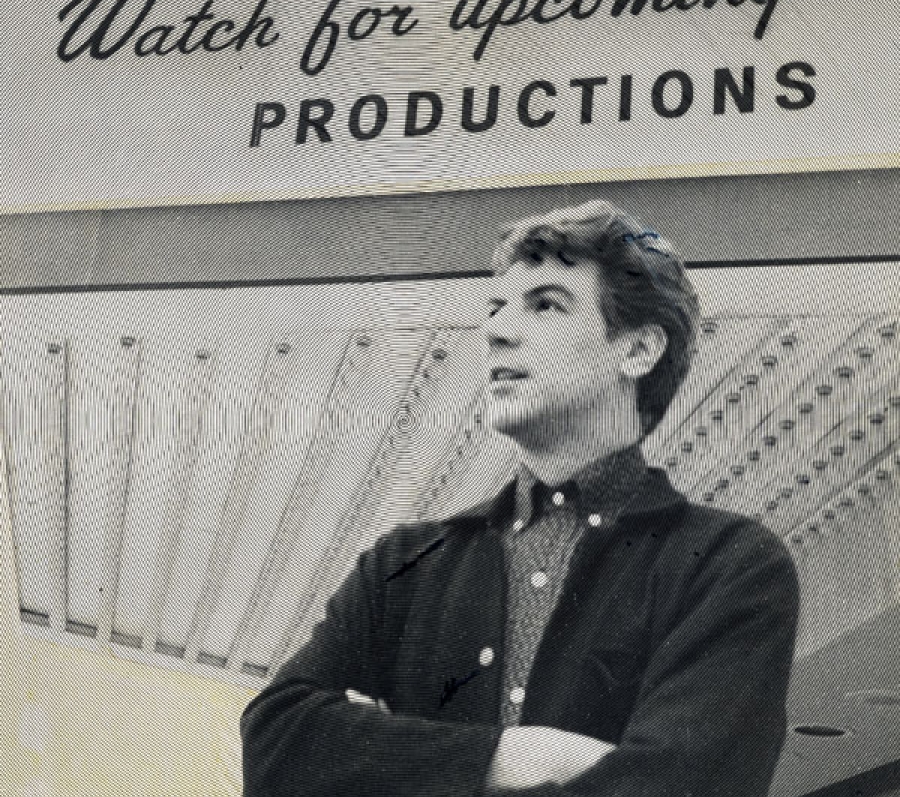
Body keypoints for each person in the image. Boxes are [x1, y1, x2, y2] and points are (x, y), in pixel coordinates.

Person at [240, 200, 800, 796]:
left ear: (637, 350)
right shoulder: (403, 562)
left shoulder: (731, 565)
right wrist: (511, 756)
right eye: (497, 307)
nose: (497, 331)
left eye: (547, 305)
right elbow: (276, 742)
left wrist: (390, 758)